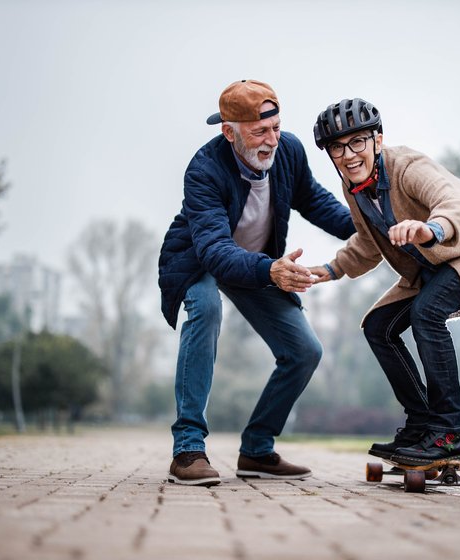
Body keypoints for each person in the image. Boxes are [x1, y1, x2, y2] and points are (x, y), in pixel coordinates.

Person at [308, 98, 460, 468]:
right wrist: (331, 269)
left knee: (426, 312)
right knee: (378, 327)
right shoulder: (355, 189)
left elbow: (455, 203)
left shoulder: (407, 168)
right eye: (337, 147)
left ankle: (448, 435)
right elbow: (368, 243)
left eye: (357, 142)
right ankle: (421, 426)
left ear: (377, 142)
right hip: (439, 260)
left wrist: (429, 228)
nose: (348, 155)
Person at [158, 80, 356, 486]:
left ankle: (257, 450)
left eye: (276, 128)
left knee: (304, 350)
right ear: (229, 132)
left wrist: (369, 230)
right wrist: (271, 271)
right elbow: (214, 250)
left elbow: (315, 201)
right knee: (207, 309)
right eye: (259, 132)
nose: (272, 141)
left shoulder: (290, 151)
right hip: (202, 260)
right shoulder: (204, 170)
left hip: (259, 264)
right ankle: (188, 449)